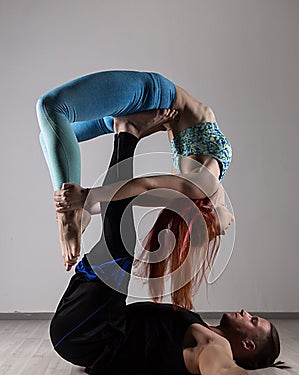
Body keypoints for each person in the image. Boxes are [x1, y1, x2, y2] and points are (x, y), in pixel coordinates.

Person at [50, 129, 293, 375]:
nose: (246, 312)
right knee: (117, 245)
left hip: (89, 336)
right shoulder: (202, 327)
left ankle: (126, 134)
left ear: (247, 344)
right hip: (83, 325)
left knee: (121, 246)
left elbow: (226, 372)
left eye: (254, 320)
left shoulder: (213, 346)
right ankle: (122, 141)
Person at [36, 70, 233, 277]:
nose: (223, 229)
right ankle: (68, 216)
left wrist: (87, 205)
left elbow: (134, 194)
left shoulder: (191, 189)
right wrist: (86, 196)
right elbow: (146, 184)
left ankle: (74, 213)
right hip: (153, 94)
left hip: (135, 113)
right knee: (50, 108)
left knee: (49, 136)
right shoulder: (204, 184)